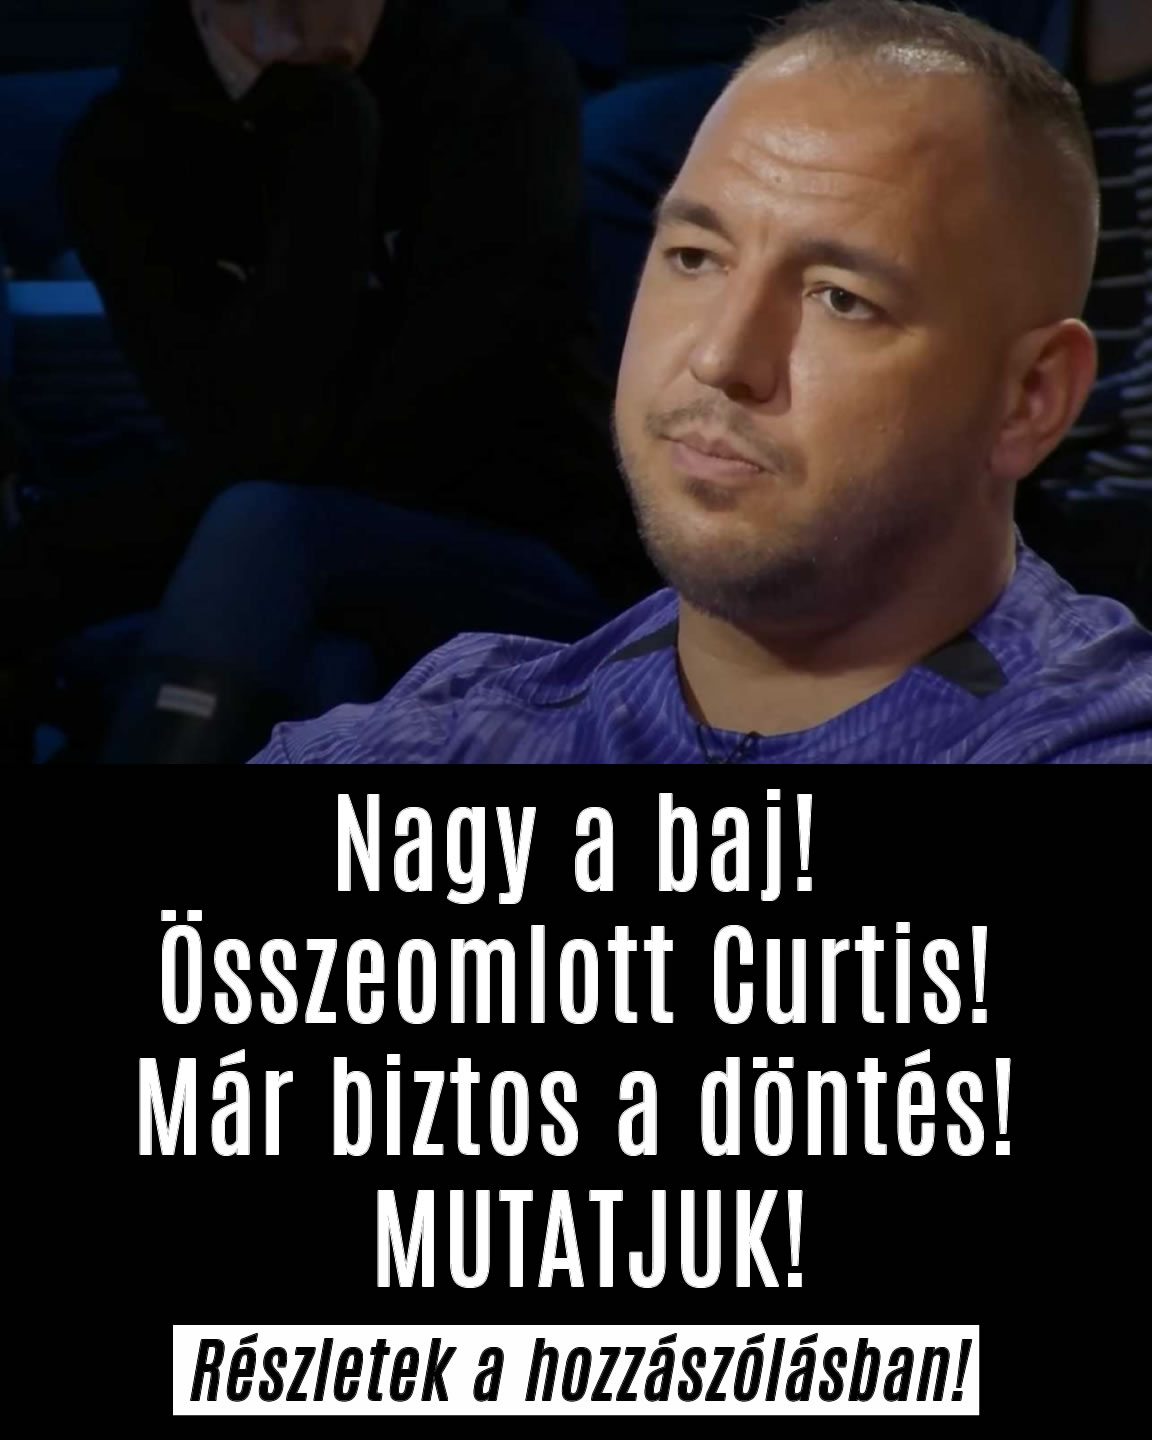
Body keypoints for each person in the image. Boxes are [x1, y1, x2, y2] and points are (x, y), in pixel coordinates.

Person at [253, 0, 1152, 765]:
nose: (721, 358)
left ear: (1029, 399)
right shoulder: (450, 732)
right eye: (693, 257)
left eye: (841, 298)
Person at [60, 0, 647, 762]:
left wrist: (331, 133)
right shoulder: (122, 154)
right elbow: (231, 435)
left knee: (264, 529)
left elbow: (425, 421)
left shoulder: (496, 82)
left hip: (528, 536)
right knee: (324, 666)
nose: (302, 16)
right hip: (304, 530)